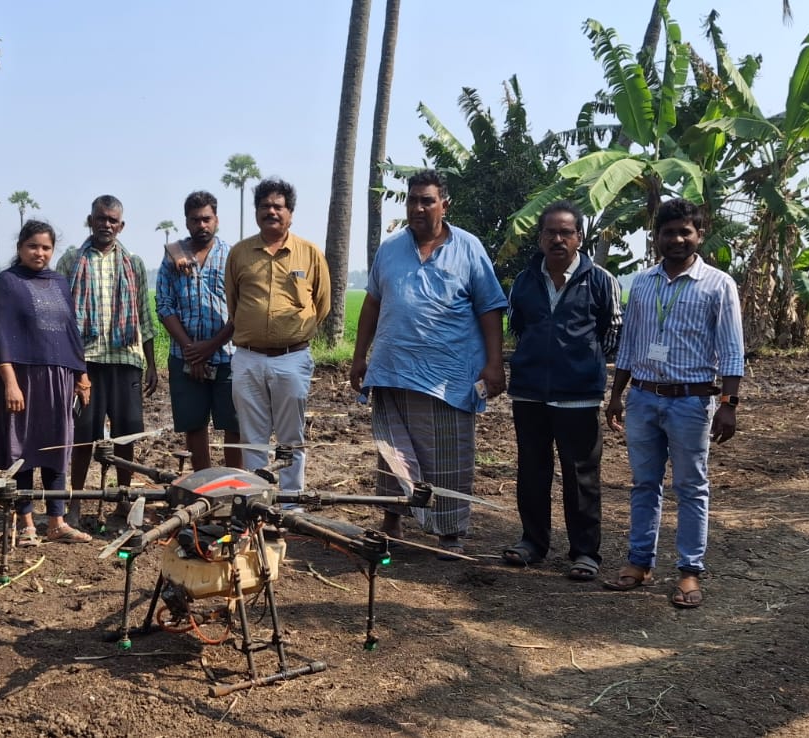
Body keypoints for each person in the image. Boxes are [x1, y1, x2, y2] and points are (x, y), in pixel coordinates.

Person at [349, 169, 506, 558]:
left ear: (444, 205)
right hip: (391, 369)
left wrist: (494, 363)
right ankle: (391, 518)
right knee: (392, 451)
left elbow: (490, 309)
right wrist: (358, 356)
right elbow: (372, 302)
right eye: (412, 199)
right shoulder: (390, 248)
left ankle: (450, 532)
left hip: (449, 376)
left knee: (449, 455)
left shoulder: (469, 248)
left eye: (427, 200)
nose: (418, 207)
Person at [604, 197, 745, 609]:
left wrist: (729, 403)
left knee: (690, 487)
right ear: (657, 237)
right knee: (643, 485)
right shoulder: (643, 282)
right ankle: (638, 563)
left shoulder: (718, 285)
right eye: (669, 232)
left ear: (700, 235)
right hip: (645, 397)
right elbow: (629, 345)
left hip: (691, 400)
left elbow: (733, 350)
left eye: (686, 231)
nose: (677, 239)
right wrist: (616, 395)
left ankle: (688, 571)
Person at [504, 200, 622, 580]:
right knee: (532, 471)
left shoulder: (601, 279)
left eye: (565, 232)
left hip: (580, 394)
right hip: (530, 393)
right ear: (540, 238)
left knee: (581, 475)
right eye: (550, 232)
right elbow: (518, 327)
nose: (558, 239)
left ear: (579, 238)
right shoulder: (524, 281)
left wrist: (580, 362)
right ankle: (532, 543)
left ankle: (585, 552)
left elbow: (612, 333)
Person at [0, 220, 94, 545]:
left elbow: (71, 331)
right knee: (24, 450)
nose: (40, 253)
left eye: (46, 247)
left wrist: (81, 375)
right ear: (20, 247)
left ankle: (56, 522)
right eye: (33, 246)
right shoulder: (6, 284)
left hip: (58, 379)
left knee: (57, 449)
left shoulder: (59, 283)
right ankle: (27, 523)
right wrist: (10, 382)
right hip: (22, 380)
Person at [226, 178, 329, 496]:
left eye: (278, 206)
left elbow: (322, 305)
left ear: (290, 213)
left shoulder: (309, 254)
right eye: (265, 206)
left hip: (292, 358)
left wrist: (294, 332)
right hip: (248, 359)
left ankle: (290, 504)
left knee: (290, 438)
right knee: (252, 438)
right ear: (256, 212)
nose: (271, 211)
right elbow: (234, 302)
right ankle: (257, 504)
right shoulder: (240, 253)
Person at [55, 196, 156, 498]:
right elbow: (61, 316)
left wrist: (151, 364)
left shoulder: (133, 263)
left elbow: (144, 316)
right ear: (91, 220)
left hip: (126, 359)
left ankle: (123, 498)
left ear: (121, 226)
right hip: (85, 362)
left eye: (112, 220)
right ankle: (76, 498)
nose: (106, 225)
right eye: (101, 218)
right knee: (83, 433)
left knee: (127, 433)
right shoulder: (71, 261)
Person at [156, 191, 242, 470]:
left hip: (228, 355)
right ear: (187, 222)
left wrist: (210, 347)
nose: (201, 225)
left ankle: (234, 489)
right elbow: (164, 305)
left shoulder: (232, 256)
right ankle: (204, 488)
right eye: (195, 220)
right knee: (194, 425)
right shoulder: (173, 257)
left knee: (234, 425)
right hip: (184, 356)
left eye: (206, 219)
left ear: (216, 219)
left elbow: (241, 309)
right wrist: (191, 351)